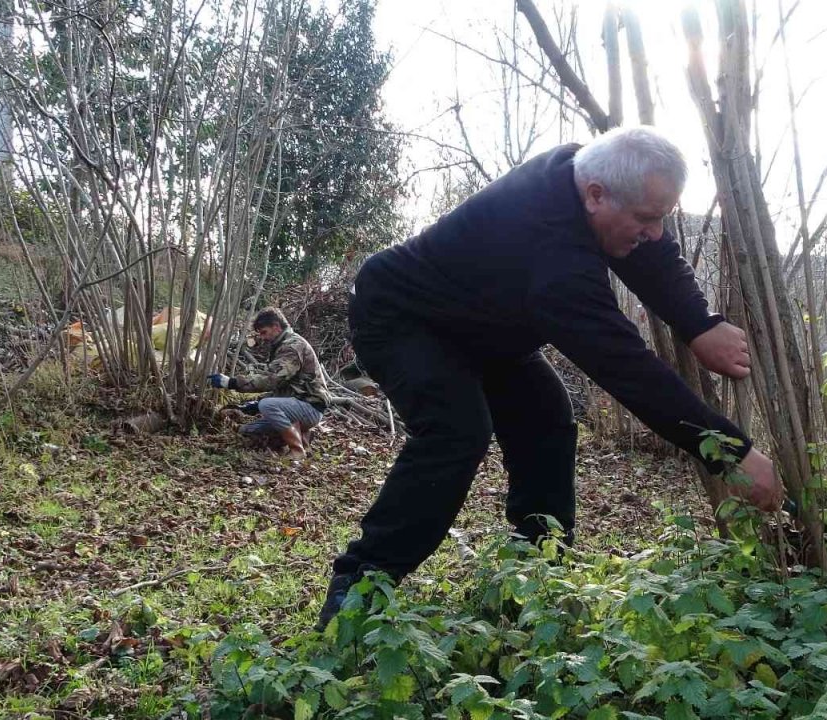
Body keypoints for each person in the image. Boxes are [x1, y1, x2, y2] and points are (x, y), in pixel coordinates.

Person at [317, 127, 785, 629]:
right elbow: (626, 368)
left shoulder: (585, 170)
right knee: (456, 432)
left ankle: (537, 578)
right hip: (402, 316)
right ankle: (356, 593)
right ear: (596, 196)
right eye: (647, 219)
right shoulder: (553, 257)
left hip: (482, 326)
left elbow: (651, 251)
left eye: (660, 218)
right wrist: (730, 452)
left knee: (547, 419)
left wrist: (700, 324)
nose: (654, 232)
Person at [209, 308, 330, 460]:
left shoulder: (292, 346)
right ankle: (302, 434)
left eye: (264, 332)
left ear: (276, 327)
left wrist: (231, 383)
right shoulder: (282, 345)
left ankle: (297, 450)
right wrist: (253, 405)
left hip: (310, 407)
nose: (262, 337)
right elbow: (284, 387)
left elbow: (272, 379)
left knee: (267, 405)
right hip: (298, 405)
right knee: (248, 430)